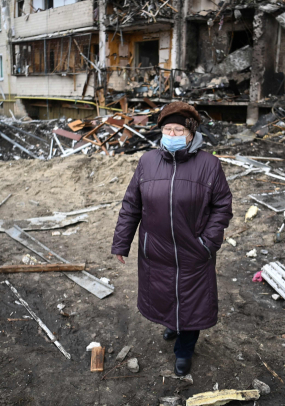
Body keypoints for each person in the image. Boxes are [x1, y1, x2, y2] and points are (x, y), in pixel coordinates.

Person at [111, 102, 233, 376]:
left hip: (194, 252)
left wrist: (208, 243)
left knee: (192, 301)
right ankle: (172, 324)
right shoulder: (147, 162)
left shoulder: (209, 165)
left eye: (179, 129)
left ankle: (185, 350)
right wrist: (122, 242)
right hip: (156, 250)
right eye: (168, 129)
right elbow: (131, 204)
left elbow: (223, 206)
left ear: (191, 133)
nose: (173, 134)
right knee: (166, 294)